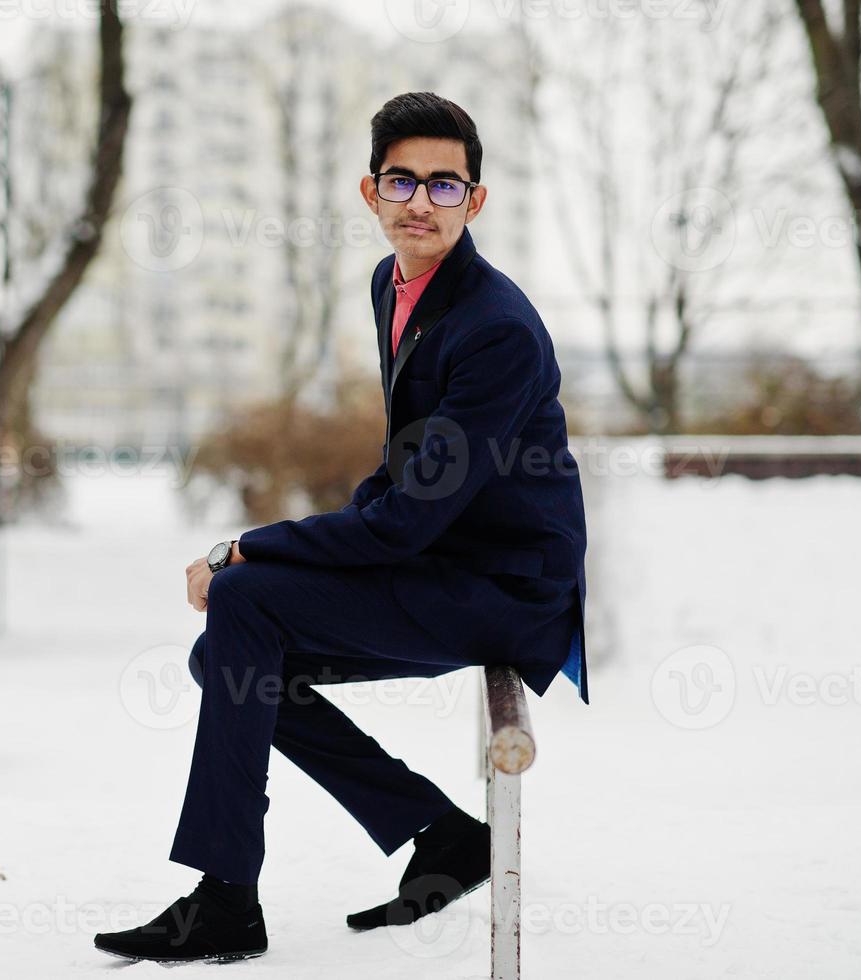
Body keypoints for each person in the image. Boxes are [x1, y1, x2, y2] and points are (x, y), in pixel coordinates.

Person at [94, 90, 590, 964]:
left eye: (445, 186)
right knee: (228, 657)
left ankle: (224, 901)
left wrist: (245, 545)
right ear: (370, 194)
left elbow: (404, 520)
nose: (419, 202)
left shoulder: (495, 329)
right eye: (401, 181)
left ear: (474, 202)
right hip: (445, 559)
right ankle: (437, 833)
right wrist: (303, 539)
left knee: (242, 604)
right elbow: (409, 473)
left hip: (504, 589)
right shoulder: (395, 284)